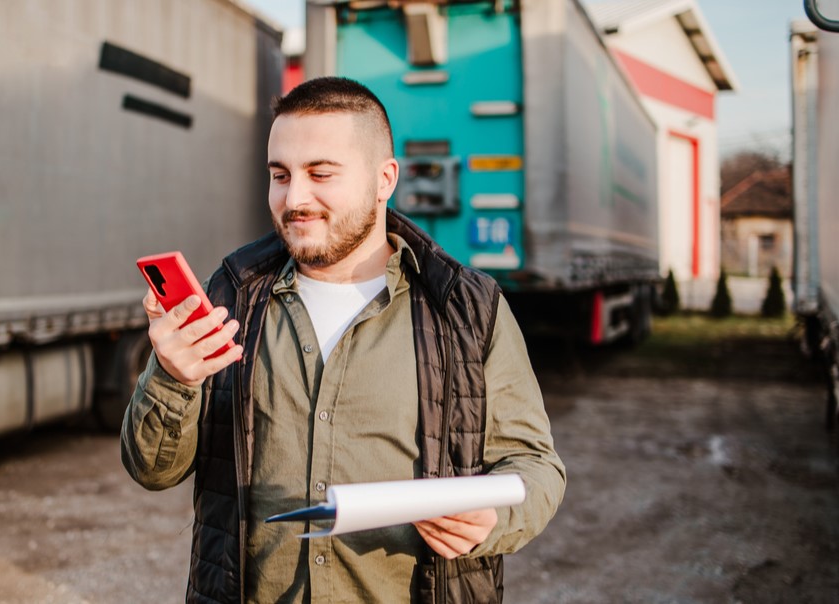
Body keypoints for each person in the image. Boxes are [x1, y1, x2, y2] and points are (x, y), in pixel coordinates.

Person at [121, 76, 565, 604]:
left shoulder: (468, 308)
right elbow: (152, 470)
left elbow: (535, 466)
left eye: (320, 173)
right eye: (280, 175)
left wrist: (493, 519)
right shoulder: (229, 298)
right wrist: (172, 378)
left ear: (385, 179)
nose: (294, 198)